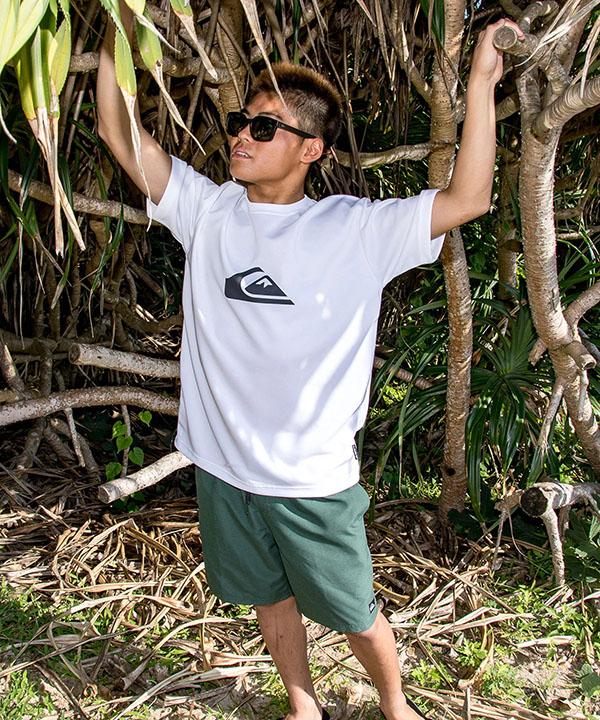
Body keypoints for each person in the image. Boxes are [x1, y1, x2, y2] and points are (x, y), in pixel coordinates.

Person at [98, 6, 523, 719]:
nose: (242, 136)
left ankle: (396, 706)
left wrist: (481, 78)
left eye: (264, 128)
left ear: (311, 150)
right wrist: (119, 24)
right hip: (224, 465)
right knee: (268, 595)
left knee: (352, 609)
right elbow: (119, 134)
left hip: (310, 478)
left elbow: (468, 198)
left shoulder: (353, 229)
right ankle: (302, 704)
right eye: (240, 122)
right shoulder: (208, 210)